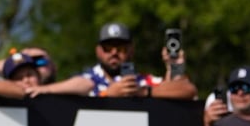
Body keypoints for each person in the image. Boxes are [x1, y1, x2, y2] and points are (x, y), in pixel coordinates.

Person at [33, 22, 196, 99]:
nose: (114, 53)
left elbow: (187, 90)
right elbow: (78, 86)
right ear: (98, 50)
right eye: (108, 48)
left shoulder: (141, 81)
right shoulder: (88, 80)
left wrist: (142, 92)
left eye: (121, 48)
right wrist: (107, 95)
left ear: (131, 50)